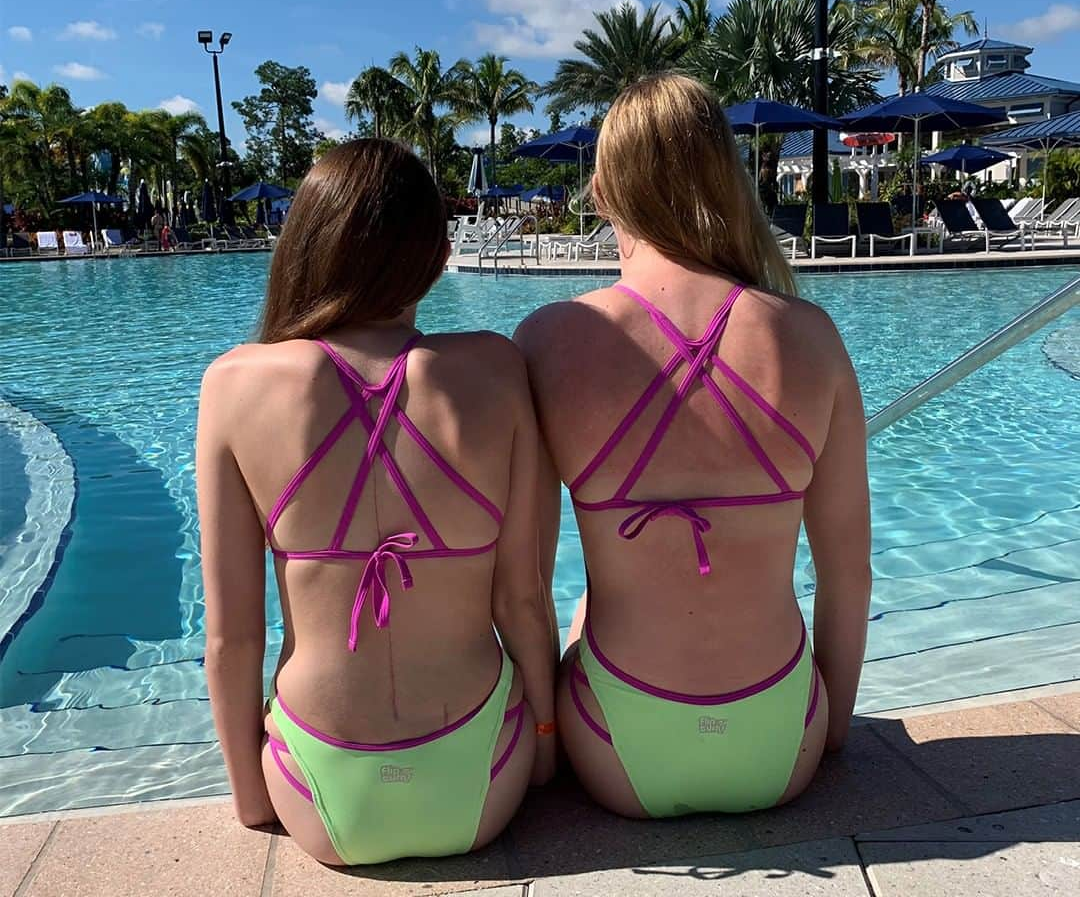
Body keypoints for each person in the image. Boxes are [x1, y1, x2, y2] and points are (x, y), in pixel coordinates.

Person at [515, 74, 871, 820]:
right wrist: (829, 734)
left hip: (617, 750)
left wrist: (543, 742)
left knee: (584, 608)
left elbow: (523, 584)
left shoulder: (549, 339)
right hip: (783, 745)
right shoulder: (812, 336)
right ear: (726, 178)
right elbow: (849, 575)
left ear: (606, 190)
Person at [197, 139, 555, 866]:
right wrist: (544, 747)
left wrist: (249, 796)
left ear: (306, 246)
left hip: (318, 791)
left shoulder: (235, 384)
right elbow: (522, 601)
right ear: (432, 251)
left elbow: (232, 638)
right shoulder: (493, 368)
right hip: (484, 779)